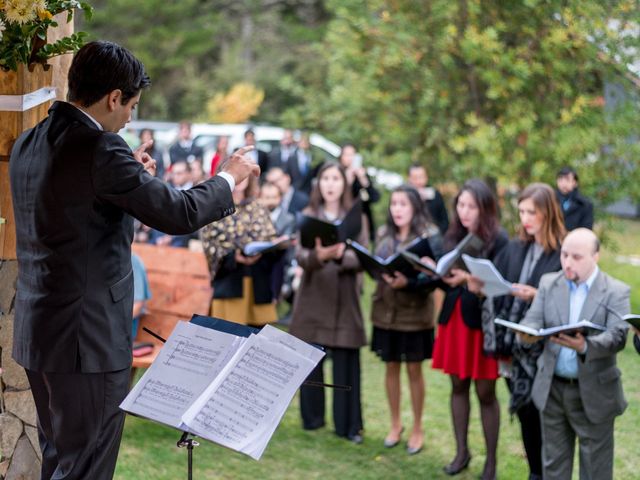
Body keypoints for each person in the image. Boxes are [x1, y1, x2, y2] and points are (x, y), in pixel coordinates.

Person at [8, 40, 259, 480]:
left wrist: (133, 180)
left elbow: (74, 219)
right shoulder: (102, 149)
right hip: (88, 341)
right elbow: (180, 213)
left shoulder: (30, 142)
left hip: (40, 332)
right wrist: (227, 176)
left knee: (60, 462)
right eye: (132, 106)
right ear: (113, 97)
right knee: (86, 469)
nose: (130, 118)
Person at [518, 228, 629, 480]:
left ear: (595, 256)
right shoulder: (549, 283)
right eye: (564, 255)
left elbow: (618, 337)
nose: (568, 262)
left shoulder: (615, 291)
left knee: (595, 469)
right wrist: (526, 334)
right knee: (554, 466)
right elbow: (531, 321)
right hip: (553, 390)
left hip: (594, 392)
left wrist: (585, 347)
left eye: (576, 257)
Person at [431, 179, 508, 480]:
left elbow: (501, 285)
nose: (464, 212)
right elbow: (445, 278)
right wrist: (434, 270)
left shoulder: (499, 240)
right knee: (457, 387)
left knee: (486, 392)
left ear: (485, 208)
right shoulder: (452, 235)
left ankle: (491, 463)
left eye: (471, 206)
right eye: (460, 205)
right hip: (455, 321)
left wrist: (469, 281)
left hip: (483, 324)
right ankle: (461, 451)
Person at [488, 183, 566, 480]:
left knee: (543, 416)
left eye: (531, 212)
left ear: (548, 212)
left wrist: (537, 295)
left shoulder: (562, 252)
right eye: (521, 211)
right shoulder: (515, 246)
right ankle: (535, 471)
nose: (525, 218)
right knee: (525, 413)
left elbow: (570, 296)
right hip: (512, 344)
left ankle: (545, 472)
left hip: (543, 348)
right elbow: (499, 280)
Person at [289, 161, 368, 444]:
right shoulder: (308, 215)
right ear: (318, 184)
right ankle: (312, 418)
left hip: (344, 300)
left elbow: (362, 257)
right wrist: (318, 257)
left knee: (346, 363)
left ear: (344, 183)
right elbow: (299, 255)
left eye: (336, 178)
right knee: (310, 362)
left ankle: (348, 424)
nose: (331, 184)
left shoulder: (356, 216)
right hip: (313, 297)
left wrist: (338, 256)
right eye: (326, 179)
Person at [370, 185, 443, 455]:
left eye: (403, 204)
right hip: (386, 312)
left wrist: (410, 281)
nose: (397, 209)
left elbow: (435, 278)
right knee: (390, 367)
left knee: (413, 369)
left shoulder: (429, 235)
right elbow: (376, 265)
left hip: (414, 313)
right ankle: (395, 423)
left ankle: (417, 428)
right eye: (394, 203)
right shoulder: (384, 234)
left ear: (414, 207)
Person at [201, 175, 282, 327]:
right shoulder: (215, 207)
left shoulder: (258, 207)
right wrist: (234, 257)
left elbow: (271, 240)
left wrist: (275, 246)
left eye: (244, 175)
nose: (239, 180)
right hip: (229, 285)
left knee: (257, 343)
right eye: (235, 174)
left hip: (257, 285)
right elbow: (210, 247)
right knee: (228, 338)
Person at [339, 143, 380, 242]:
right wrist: (347, 181)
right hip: (345, 218)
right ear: (341, 157)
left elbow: (375, 198)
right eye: (346, 155)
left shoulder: (361, 175)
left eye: (352, 155)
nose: (350, 158)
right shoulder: (338, 175)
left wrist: (363, 180)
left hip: (363, 219)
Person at [407, 163, 449, 234]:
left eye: (421, 177)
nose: (418, 181)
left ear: (426, 177)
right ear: (409, 179)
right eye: (415, 178)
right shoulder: (405, 198)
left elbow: (444, 221)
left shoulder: (435, 195)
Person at [555, 166, 594, 231]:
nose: (563, 183)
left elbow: (586, 230)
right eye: (560, 179)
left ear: (575, 182)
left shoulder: (585, 204)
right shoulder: (550, 200)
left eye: (567, 179)